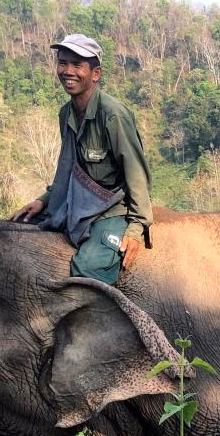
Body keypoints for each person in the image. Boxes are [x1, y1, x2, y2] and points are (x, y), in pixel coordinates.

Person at [12, 33, 152, 283]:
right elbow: (73, 169)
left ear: (95, 74)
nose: (68, 71)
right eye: (62, 63)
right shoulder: (66, 113)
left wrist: (136, 227)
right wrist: (44, 199)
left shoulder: (113, 115)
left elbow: (137, 173)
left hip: (112, 207)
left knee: (89, 270)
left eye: (77, 65)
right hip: (79, 203)